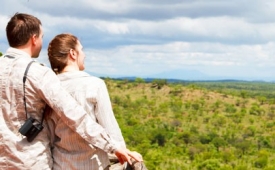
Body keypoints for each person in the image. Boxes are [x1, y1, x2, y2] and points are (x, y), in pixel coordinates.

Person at [0, 13, 142, 170]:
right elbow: (74, 115)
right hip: (31, 161)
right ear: (34, 39)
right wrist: (113, 147)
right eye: (41, 36)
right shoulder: (38, 73)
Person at [47, 33, 146, 170]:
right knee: (136, 163)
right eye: (81, 50)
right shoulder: (95, 85)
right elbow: (111, 131)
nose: (84, 55)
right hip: (92, 165)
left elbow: (50, 138)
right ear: (73, 54)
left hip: (60, 165)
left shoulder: (49, 89)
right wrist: (122, 151)